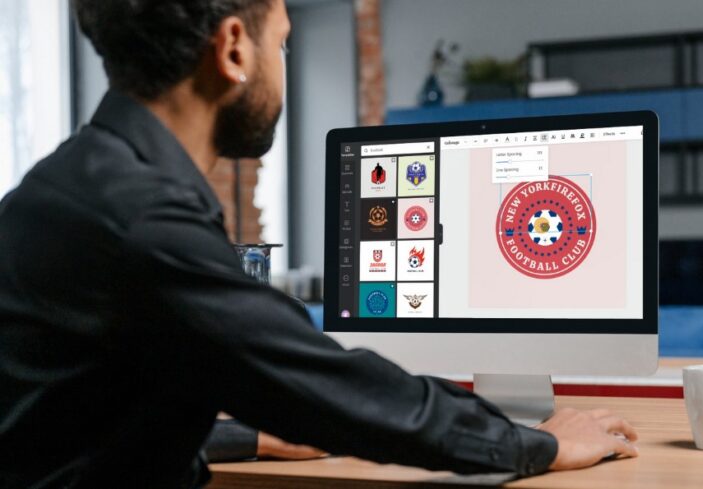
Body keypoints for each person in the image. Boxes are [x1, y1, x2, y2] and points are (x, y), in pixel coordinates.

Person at [0, 1, 638, 487]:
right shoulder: (141, 223)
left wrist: (251, 436)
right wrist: (541, 444)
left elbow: (75, 425)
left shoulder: (70, 188)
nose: (283, 69)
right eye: (282, 43)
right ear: (232, 50)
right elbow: (341, 394)